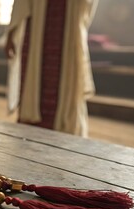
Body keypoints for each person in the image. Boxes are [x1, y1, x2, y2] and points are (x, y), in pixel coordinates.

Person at [5, 0, 98, 137]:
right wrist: (11, 32)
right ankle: (30, 130)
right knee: (34, 80)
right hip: (37, 24)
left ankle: (65, 132)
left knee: (67, 84)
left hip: (69, 24)